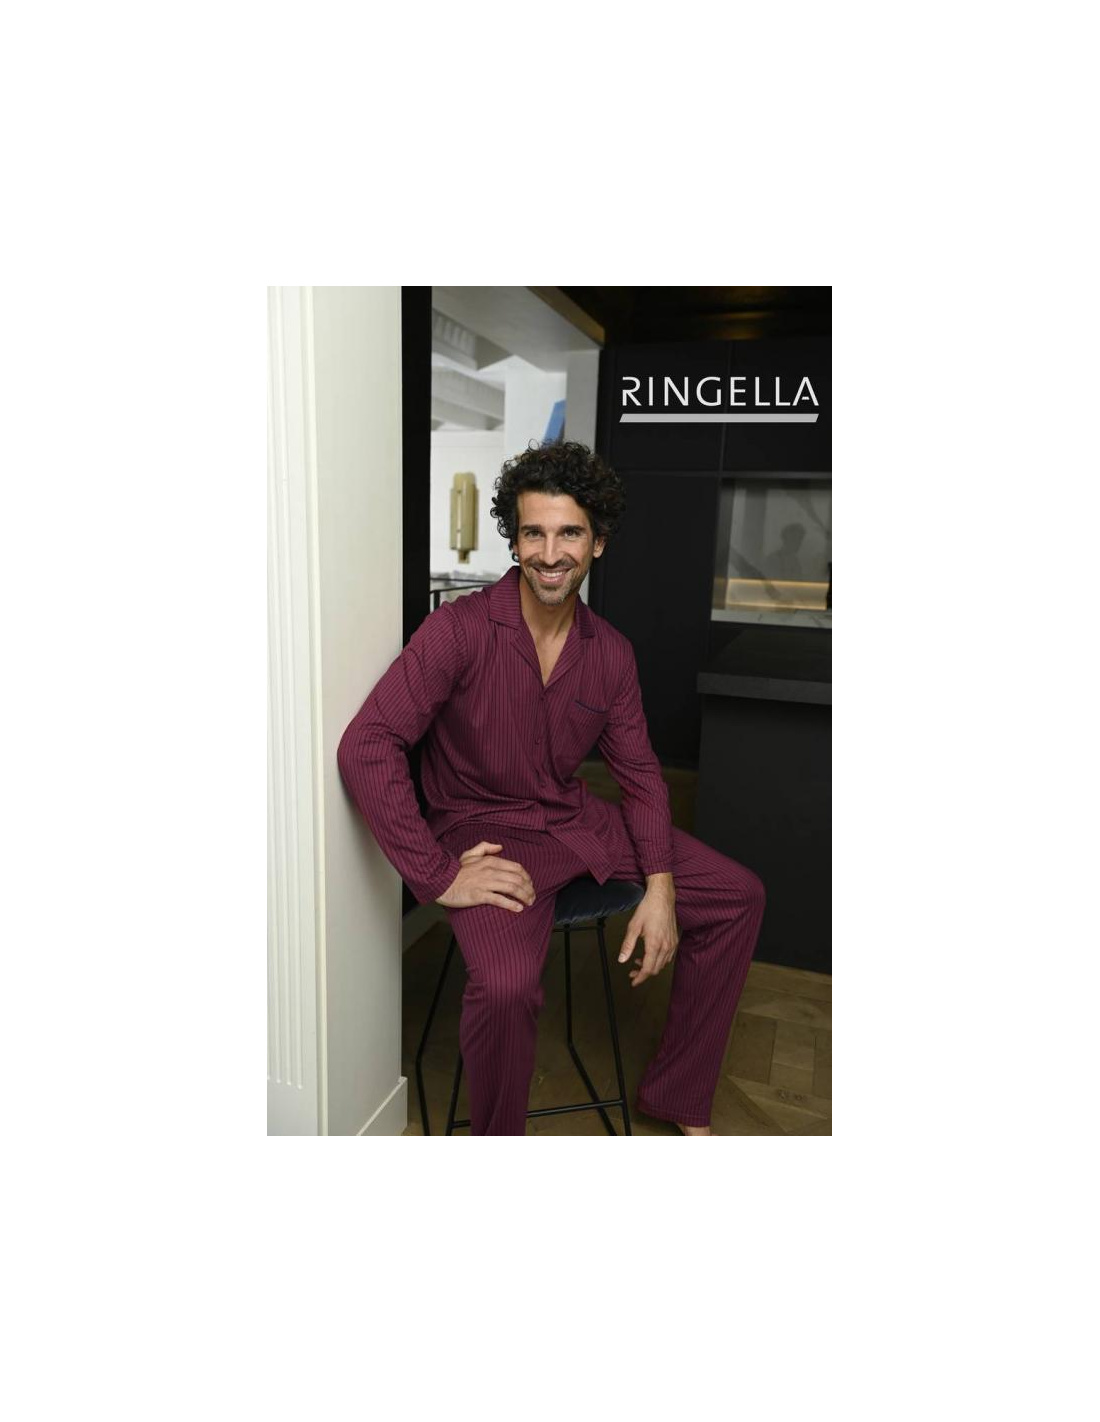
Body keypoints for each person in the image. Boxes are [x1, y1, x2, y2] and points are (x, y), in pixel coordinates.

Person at [337, 441, 765, 1135]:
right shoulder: (457, 632)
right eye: (533, 533)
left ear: (598, 543)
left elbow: (639, 776)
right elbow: (367, 743)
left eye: (569, 533)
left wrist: (660, 887)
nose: (549, 553)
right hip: (484, 839)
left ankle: (679, 1093)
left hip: (574, 825)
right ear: (514, 540)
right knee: (506, 987)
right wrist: (438, 874)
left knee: (737, 895)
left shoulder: (611, 653)